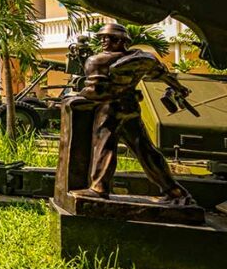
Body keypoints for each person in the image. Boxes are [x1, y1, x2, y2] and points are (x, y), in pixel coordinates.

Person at [68, 23, 194, 205]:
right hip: (130, 108)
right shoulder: (141, 59)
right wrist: (180, 88)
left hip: (110, 108)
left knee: (104, 146)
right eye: (103, 38)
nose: (104, 41)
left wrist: (78, 96)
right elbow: (162, 74)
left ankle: (99, 188)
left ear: (121, 40)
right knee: (145, 150)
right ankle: (174, 190)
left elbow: (95, 91)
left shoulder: (97, 61)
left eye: (110, 38)